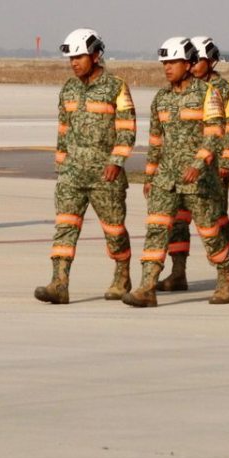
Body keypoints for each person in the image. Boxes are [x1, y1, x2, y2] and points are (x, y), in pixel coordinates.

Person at [124, 37, 229, 308]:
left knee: (210, 232)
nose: (167, 68)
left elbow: (215, 132)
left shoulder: (208, 93)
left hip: (199, 180)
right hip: (166, 179)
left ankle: (225, 279)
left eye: (173, 62)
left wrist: (198, 164)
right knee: (156, 231)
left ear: (188, 63)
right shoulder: (161, 98)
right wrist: (150, 176)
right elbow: (155, 141)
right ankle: (147, 287)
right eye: (165, 63)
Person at [35, 29, 137, 305]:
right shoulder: (68, 88)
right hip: (72, 173)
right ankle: (59, 282)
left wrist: (117, 161)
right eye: (71, 58)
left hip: (106, 173)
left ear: (95, 55)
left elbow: (127, 129)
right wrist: (61, 164)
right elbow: (63, 130)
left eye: (79, 56)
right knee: (65, 227)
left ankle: (122, 275)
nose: (74, 62)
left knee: (114, 230)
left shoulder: (116, 86)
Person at [155, 35, 229, 292]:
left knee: (215, 219)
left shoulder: (224, 90)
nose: (195, 65)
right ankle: (178, 272)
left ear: (211, 61)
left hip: (211, 168)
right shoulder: (178, 91)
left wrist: (225, 163)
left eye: (201, 60)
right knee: (177, 220)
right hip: (180, 171)